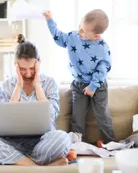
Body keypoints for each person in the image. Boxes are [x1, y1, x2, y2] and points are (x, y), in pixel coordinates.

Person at [0, 34, 72, 166]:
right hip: (9, 142)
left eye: (32, 68)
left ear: (38, 64)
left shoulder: (50, 83)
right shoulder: (6, 86)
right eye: (22, 69)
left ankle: (18, 161)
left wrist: (38, 86)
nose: (28, 74)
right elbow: (5, 120)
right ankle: (33, 164)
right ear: (15, 66)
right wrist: (18, 86)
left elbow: (51, 115)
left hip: (41, 141)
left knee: (62, 138)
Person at [44, 9, 116, 144]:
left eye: (84, 31)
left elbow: (103, 68)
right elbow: (58, 37)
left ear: (96, 36)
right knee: (77, 116)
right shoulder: (73, 37)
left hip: (98, 85)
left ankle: (111, 143)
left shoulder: (102, 47)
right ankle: (77, 144)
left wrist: (93, 86)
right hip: (79, 84)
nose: (79, 32)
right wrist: (49, 20)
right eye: (80, 27)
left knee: (102, 115)